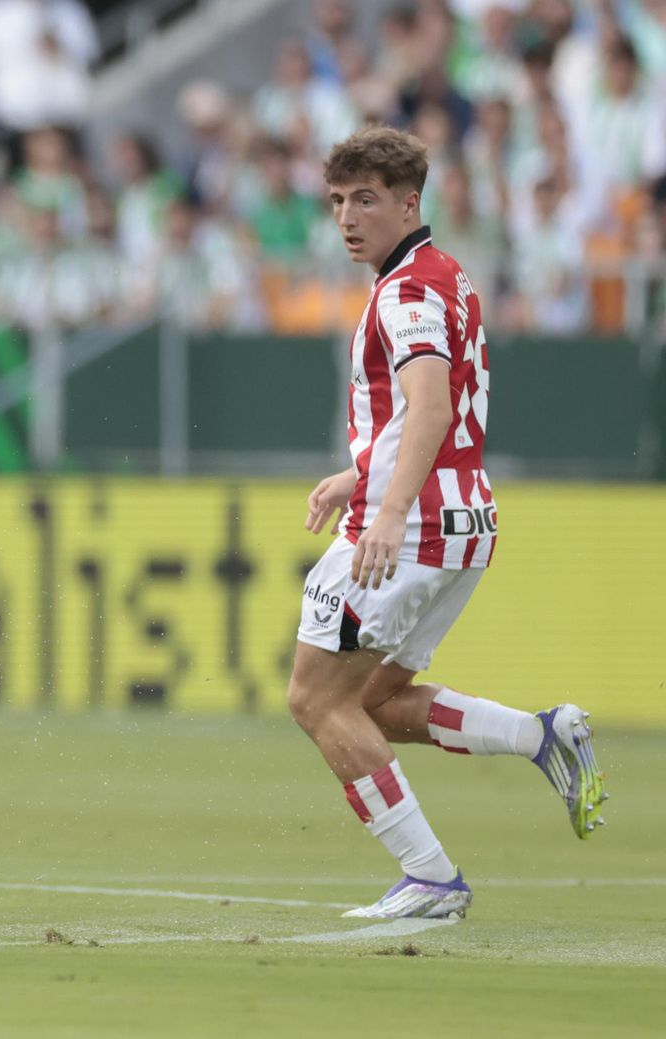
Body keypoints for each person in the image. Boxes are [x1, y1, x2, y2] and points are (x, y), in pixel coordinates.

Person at [291, 127, 607, 921]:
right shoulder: (445, 276)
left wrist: (386, 511)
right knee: (376, 702)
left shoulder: (404, 292)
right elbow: (430, 412)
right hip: (465, 518)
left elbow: (430, 404)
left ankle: (430, 876)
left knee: (315, 700)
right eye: (337, 201)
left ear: (410, 202)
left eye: (365, 198)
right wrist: (356, 474)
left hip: (415, 521)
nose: (347, 217)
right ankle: (541, 737)